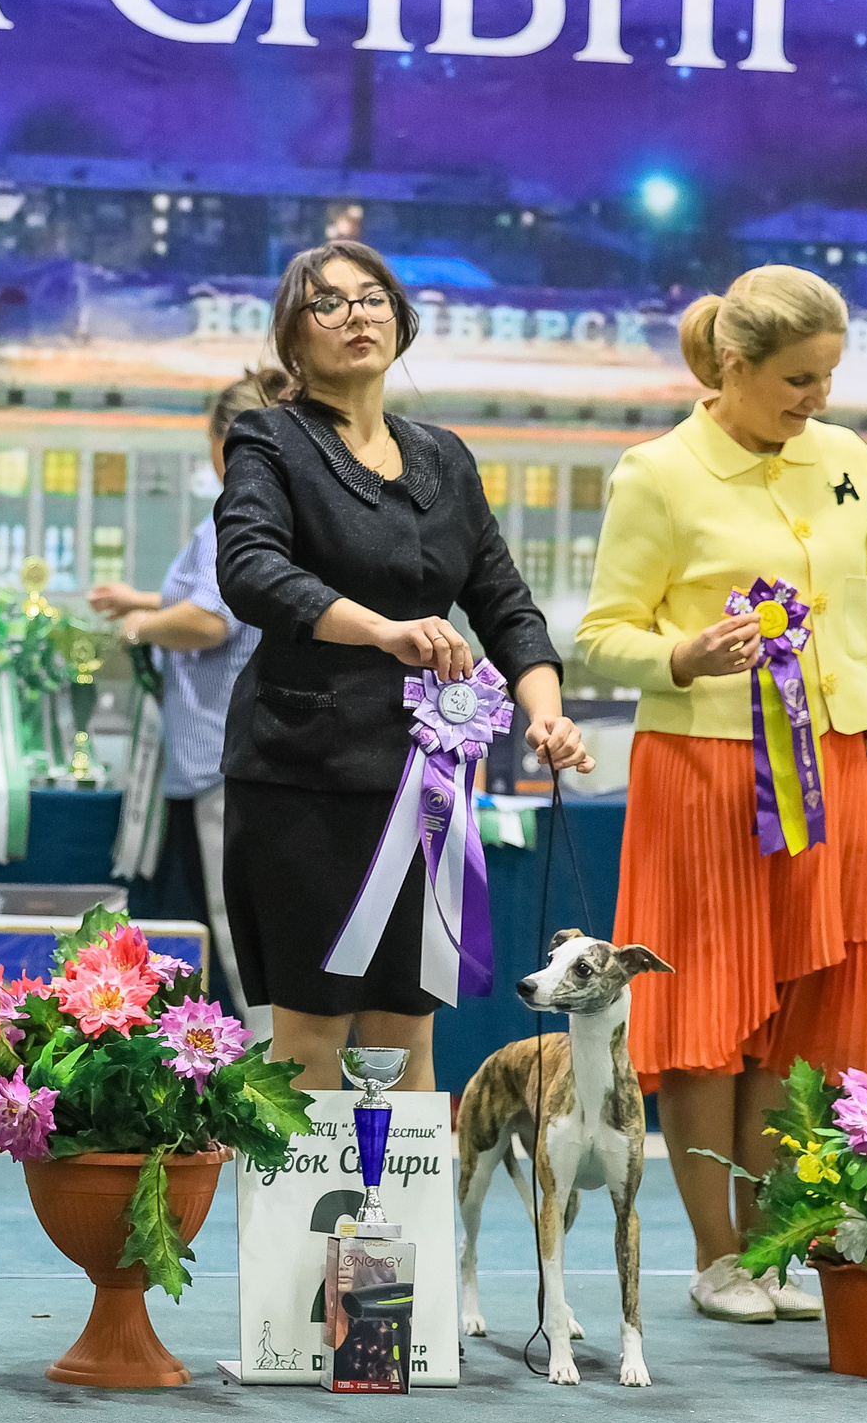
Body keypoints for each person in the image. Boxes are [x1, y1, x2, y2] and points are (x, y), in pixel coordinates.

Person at [577, 265, 867, 1324]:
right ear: (733, 366)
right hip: (704, 779)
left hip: (840, 773)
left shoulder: (847, 462)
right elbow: (598, 634)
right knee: (708, 1013)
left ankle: (773, 1245)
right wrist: (681, 656)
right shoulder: (655, 474)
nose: (819, 399)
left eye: (828, 377)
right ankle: (717, 1258)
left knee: (815, 1012)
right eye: (799, 379)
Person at [216, 242, 590, 1095]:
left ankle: (399, 1235)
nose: (356, 315)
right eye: (329, 304)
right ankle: (301, 1237)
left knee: (405, 1044)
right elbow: (249, 570)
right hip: (301, 782)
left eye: (373, 297)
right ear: (293, 338)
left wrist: (546, 711)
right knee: (309, 1044)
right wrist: (381, 630)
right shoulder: (268, 440)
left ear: (401, 318)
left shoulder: (445, 457)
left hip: (424, 789)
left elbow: (506, 605)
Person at [89, 368, 283, 1033]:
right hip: (243, 746)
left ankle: (275, 1078)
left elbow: (210, 621)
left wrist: (141, 627)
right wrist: (143, 600)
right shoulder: (275, 510)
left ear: (225, 441)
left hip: (220, 754)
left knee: (242, 934)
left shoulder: (236, 514)